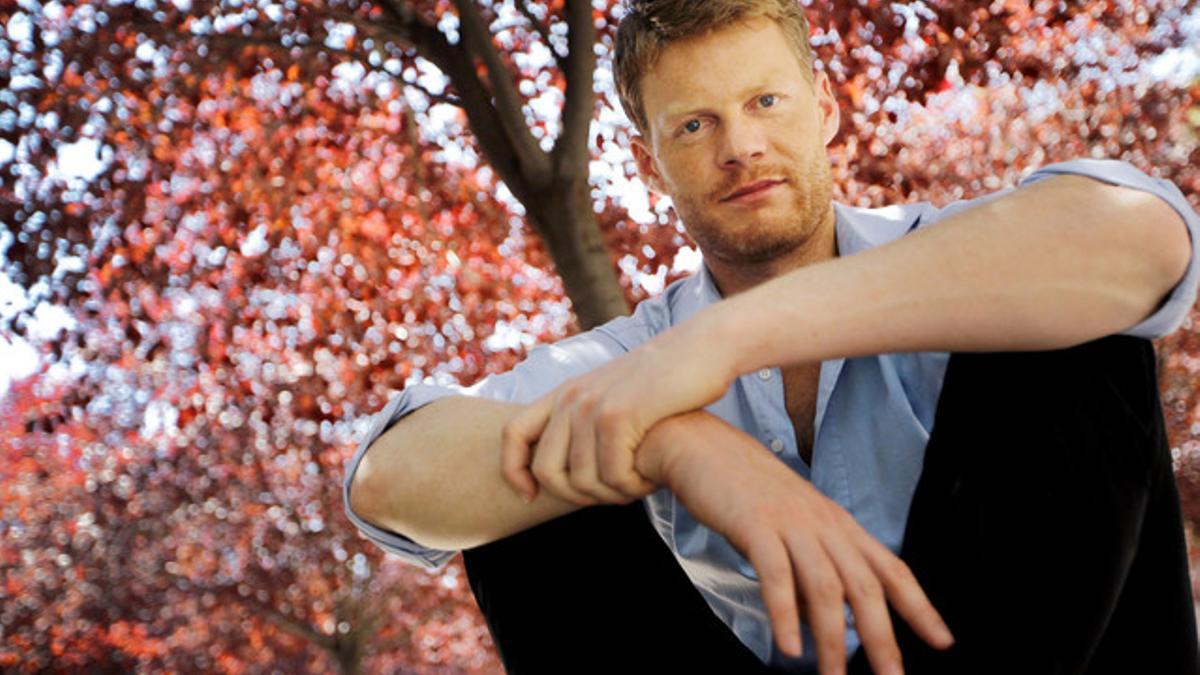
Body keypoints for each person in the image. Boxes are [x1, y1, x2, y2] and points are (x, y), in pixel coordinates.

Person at [343, 1, 1200, 673]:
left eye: (764, 101)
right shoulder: (630, 359)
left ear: (823, 110)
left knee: (1072, 323)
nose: (740, 146)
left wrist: (720, 346)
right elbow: (388, 480)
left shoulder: (942, 254)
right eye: (694, 124)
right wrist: (677, 441)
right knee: (538, 465)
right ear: (652, 163)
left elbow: (1147, 240)